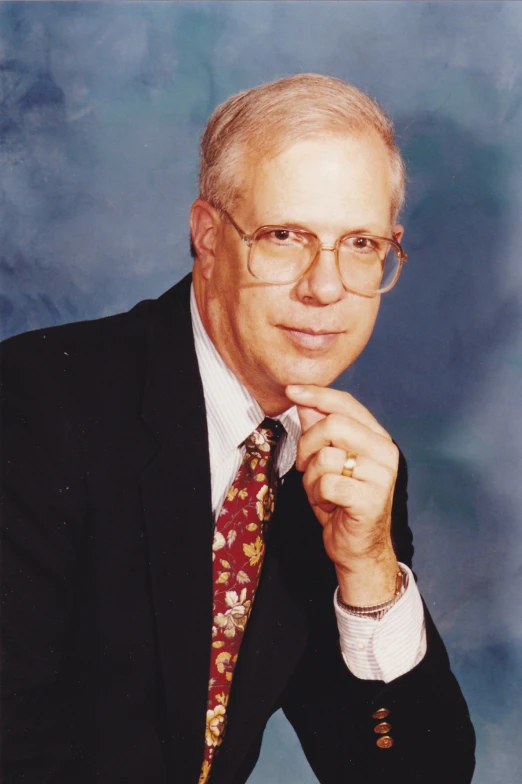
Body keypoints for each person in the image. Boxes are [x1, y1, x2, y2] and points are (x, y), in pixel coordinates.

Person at [0, 74, 475, 784]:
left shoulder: (347, 467)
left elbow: (410, 776)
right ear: (208, 236)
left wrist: (370, 570)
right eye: (286, 236)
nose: (326, 286)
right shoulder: (38, 402)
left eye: (361, 244)